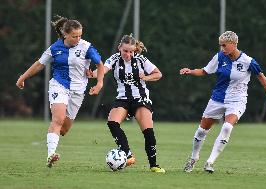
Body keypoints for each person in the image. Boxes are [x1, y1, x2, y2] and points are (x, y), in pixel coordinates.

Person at [180, 31, 266, 173]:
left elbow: (261, 76)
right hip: (217, 99)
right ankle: (193, 158)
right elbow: (205, 71)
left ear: (234, 44)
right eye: (220, 46)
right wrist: (190, 71)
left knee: (227, 127)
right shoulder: (219, 57)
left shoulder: (248, 61)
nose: (222, 49)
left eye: (224, 45)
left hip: (237, 100)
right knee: (201, 131)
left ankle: (210, 162)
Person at [16, 16, 104, 168]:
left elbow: (100, 65)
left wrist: (99, 83)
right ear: (65, 34)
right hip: (59, 86)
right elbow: (39, 64)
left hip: (78, 91)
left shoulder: (86, 47)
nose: (78, 39)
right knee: (58, 119)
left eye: (80, 36)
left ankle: (53, 139)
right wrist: (22, 77)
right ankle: (51, 155)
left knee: (64, 129)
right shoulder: (55, 48)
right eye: (74, 36)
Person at [89, 34, 165, 173]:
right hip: (123, 98)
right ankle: (127, 153)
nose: (128, 54)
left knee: (148, 131)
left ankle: (154, 165)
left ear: (135, 50)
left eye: (131, 51)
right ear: (120, 48)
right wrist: (92, 74)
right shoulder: (114, 59)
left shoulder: (141, 60)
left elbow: (158, 74)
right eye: (125, 51)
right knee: (112, 122)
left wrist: (147, 77)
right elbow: (102, 70)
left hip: (140, 98)